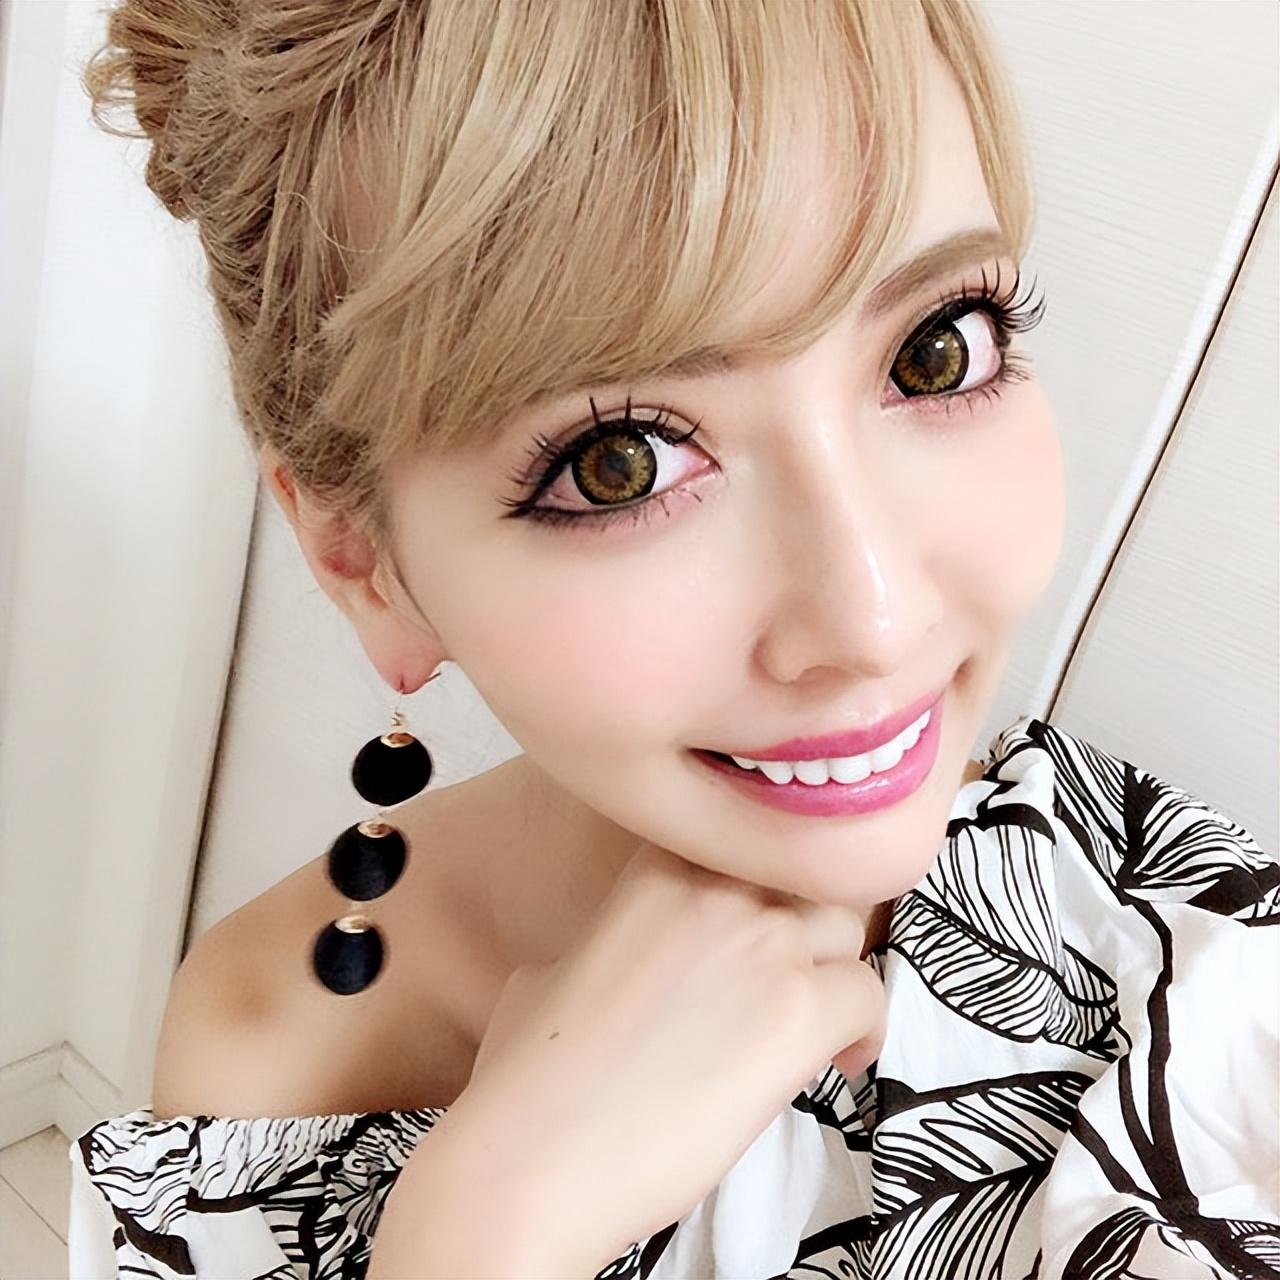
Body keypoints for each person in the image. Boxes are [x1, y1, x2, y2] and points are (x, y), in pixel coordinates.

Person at [67, 1, 1279, 1277]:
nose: (874, 619)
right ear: (363, 562)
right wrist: (483, 1230)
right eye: (620, 461)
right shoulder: (277, 1052)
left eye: (934, 351)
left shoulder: (1184, 948)